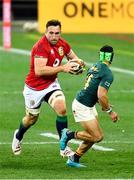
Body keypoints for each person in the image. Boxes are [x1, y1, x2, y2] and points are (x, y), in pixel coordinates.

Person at [12, 19, 84, 156]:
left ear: (60, 33)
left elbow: (74, 58)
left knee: (62, 109)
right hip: (34, 88)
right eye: (51, 33)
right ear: (45, 32)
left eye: (57, 33)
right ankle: (18, 135)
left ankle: (63, 146)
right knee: (31, 119)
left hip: (51, 85)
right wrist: (63, 68)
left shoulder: (63, 44)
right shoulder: (40, 46)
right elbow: (40, 71)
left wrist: (79, 65)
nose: (54, 36)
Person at [60, 45, 119, 167]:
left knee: (93, 135)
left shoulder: (95, 66)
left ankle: (74, 158)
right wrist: (110, 111)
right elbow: (101, 95)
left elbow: (91, 88)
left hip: (86, 103)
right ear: (111, 56)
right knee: (97, 136)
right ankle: (69, 134)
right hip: (83, 106)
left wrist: (103, 103)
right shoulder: (108, 73)